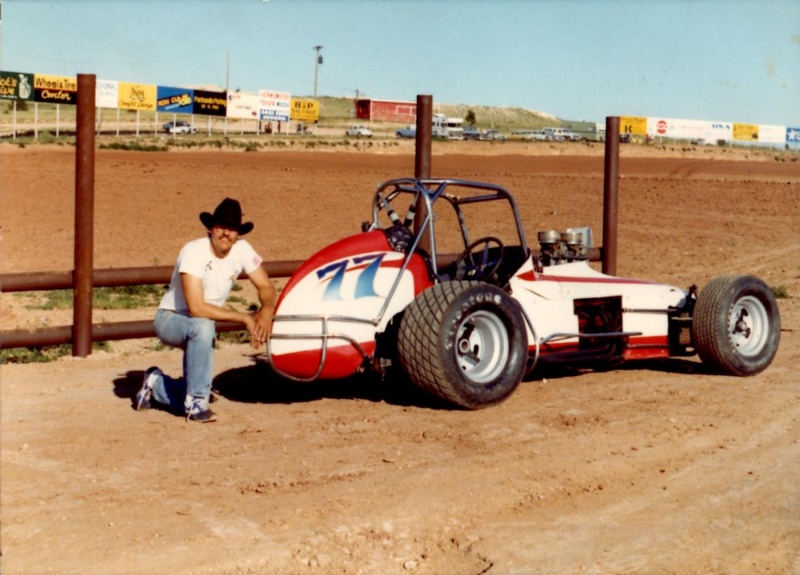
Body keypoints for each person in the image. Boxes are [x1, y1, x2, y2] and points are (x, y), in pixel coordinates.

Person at [134, 198, 277, 422]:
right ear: (210, 228)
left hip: (204, 321)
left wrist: (266, 310)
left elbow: (266, 286)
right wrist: (245, 318)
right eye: (221, 226)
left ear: (238, 233)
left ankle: (156, 384)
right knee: (203, 326)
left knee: (204, 328)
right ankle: (196, 401)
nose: (226, 233)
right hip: (171, 319)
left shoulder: (243, 249)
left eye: (232, 229)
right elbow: (196, 307)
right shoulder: (193, 251)